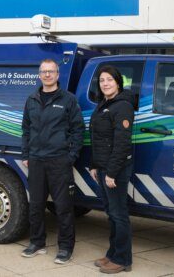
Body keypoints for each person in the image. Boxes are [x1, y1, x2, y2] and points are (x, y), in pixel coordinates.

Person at [21, 59, 85, 264]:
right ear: (39, 75)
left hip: (59, 161)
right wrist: (26, 155)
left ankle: (65, 248)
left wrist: (70, 157)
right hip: (37, 160)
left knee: (63, 207)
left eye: (51, 71)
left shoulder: (68, 100)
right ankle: (37, 243)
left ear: (58, 74)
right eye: (44, 71)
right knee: (36, 205)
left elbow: (78, 130)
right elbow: (25, 129)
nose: (47, 75)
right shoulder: (31, 99)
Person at [89, 65, 135, 274]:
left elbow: (122, 143)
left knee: (119, 214)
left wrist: (111, 173)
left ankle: (123, 259)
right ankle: (112, 254)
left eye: (109, 80)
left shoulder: (123, 106)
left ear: (118, 82)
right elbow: (98, 140)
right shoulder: (104, 104)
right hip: (104, 168)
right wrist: (95, 165)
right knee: (111, 213)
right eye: (102, 80)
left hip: (115, 170)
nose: (105, 84)